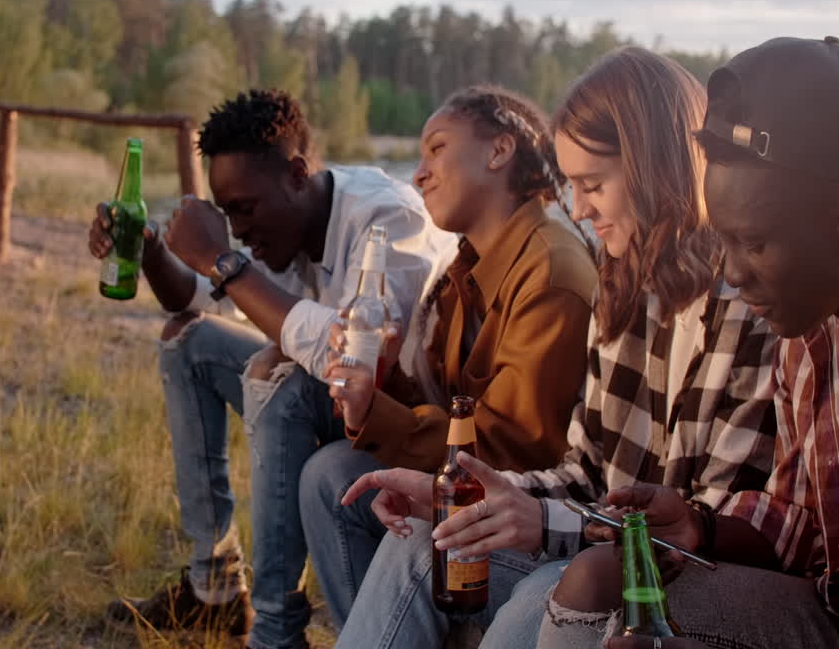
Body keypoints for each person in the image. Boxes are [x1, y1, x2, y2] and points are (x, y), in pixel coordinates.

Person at [332, 47, 778, 649]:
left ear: (657, 168)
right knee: (421, 536)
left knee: (538, 599)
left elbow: (706, 532)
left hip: (684, 578)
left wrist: (540, 520)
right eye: (572, 185)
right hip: (599, 547)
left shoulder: (750, 303)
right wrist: (464, 494)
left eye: (593, 184)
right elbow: (586, 471)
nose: (579, 207)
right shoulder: (624, 292)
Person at [555, 37, 839, 649]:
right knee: (634, 608)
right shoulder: (810, 333)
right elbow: (804, 525)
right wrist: (698, 527)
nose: (732, 274)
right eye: (723, 241)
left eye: (756, 243)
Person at [88, 89, 455, 649]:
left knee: (277, 375)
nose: (238, 230)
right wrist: (154, 250)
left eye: (244, 210)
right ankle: (212, 589)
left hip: (403, 421)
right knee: (190, 341)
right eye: (227, 212)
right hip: (341, 406)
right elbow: (191, 297)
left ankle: (278, 633)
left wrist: (223, 260)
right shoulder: (279, 223)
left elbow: (351, 359)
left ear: (296, 174)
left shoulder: (388, 218)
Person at [298, 85, 598, 628]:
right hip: (477, 479)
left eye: (436, 148)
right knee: (332, 474)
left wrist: (377, 414)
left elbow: (514, 446)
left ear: (499, 151)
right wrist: (376, 374)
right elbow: (443, 396)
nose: (418, 174)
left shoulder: (550, 270)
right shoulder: (468, 265)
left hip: (535, 507)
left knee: (356, 487)